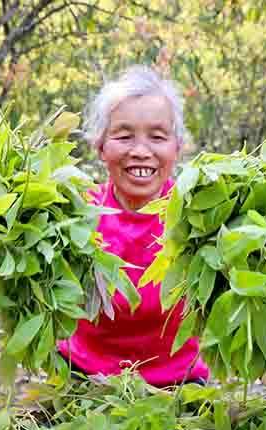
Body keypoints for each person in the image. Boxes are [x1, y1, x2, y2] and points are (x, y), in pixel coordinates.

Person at [57, 66, 209, 387]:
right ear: (101, 148)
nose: (140, 151)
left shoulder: (203, 219)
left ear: (177, 147)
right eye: (124, 137)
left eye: (157, 137)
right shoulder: (71, 215)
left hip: (179, 384)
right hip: (83, 377)